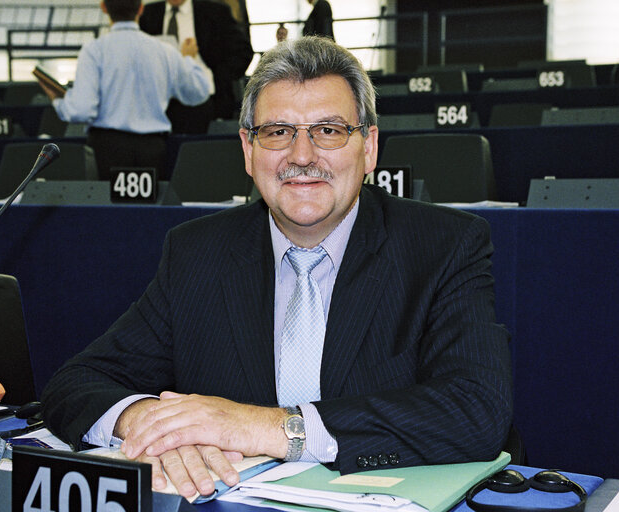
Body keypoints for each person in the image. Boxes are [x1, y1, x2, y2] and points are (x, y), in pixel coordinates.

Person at [41, 36, 513, 500]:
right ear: (248, 150)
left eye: (328, 130)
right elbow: (75, 383)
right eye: (277, 132)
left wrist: (268, 428)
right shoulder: (197, 253)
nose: (302, 156)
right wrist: (148, 421)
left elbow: (477, 410)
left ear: (368, 147)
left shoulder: (444, 245)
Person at [38, 0, 211, 181]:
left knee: (108, 208)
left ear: (104, 7)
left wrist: (58, 101)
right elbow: (198, 93)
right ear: (141, 8)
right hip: (153, 148)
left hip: (107, 148)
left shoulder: (94, 50)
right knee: (150, 208)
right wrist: (189, 59)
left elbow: (81, 110)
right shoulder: (164, 50)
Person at [139, 0, 254, 133]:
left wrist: (217, 79)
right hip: (159, 100)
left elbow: (242, 52)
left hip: (205, 99)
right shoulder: (148, 14)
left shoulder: (215, 12)